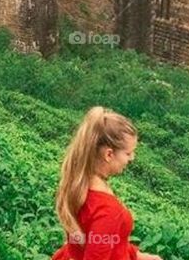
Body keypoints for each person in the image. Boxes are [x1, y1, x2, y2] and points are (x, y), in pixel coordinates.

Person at [50, 107, 163, 260]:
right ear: (109, 154)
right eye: (128, 153)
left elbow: (88, 240)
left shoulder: (78, 186)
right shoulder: (107, 210)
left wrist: (137, 255)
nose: (132, 158)